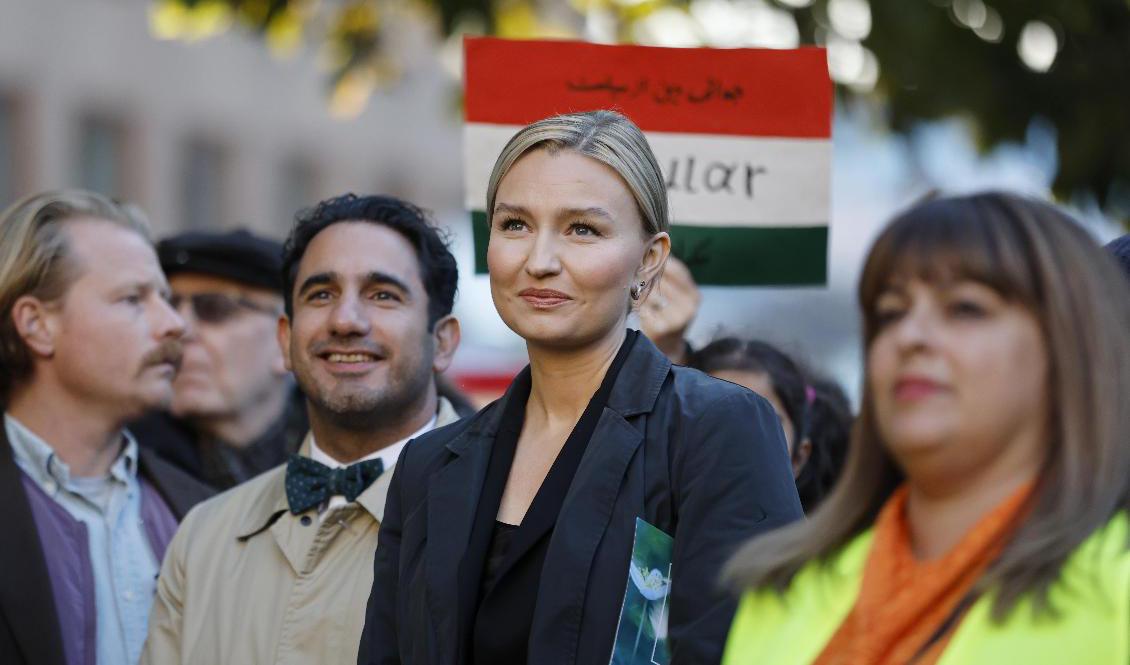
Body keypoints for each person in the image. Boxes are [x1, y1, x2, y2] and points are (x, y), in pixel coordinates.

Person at [359, 110, 803, 665]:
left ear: (649, 259)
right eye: (515, 224)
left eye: (583, 229)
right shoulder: (428, 465)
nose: (539, 261)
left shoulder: (717, 429)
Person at [722, 192, 1130, 665]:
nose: (910, 336)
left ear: (1068, 350)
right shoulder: (784, 585)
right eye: (892, 312)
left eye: (965, 308)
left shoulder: (1116, 588)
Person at [140, 194, 463, 665]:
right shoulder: (203, 537)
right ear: (286, 340)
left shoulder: (507, 519)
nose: (346, 321)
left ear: (443, 342)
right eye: (321, 294)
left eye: (383, 295)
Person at [0, 190, 213, 665]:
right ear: (36, 324)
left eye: (165, 298)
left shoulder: (201, 512)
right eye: (133, 299)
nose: (174, 324)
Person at [129, 229, 307, 490]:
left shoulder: (350, 457)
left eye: (214, 308)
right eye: (170, 305)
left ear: (287, 341)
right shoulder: (130, 461)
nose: (179, 327)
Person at [689, 338, 851, 512]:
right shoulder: (657, 530)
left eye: (763, 424)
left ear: (797, 460)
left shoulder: (816, 539)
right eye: (713, 420)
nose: (737, 442)